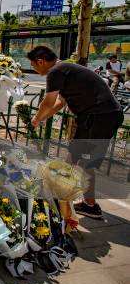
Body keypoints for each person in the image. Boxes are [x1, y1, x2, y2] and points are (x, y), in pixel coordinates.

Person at [28, 46, 123, 219]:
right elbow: (60, 103)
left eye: (33, 65)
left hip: (98, 117)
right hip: (103, 116)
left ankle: (81, 203)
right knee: (75, 157)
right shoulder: (66, 69)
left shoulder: (56, 71)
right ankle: (75, 201)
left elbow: (48, 102)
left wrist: (35, 118)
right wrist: (41, 119)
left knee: (83, 162)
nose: (34, 69)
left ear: (40, 61)